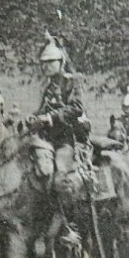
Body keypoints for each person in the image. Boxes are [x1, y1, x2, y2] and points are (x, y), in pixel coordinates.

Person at [29, 32, 89, 184]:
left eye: (50, 62)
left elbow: (77, 107)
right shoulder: (48, 87)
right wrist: (33, 116)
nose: (46, 66)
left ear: (60, 61)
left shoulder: (71, 81)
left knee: (61, 179)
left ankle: (70, 208)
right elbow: (43, 109)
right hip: (45, 138)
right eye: (44, 62)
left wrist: (50, 117)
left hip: (66, 138)